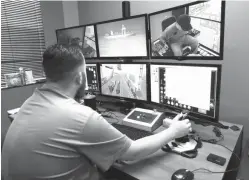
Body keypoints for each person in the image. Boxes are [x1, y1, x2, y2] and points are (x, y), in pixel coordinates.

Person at [2, 44, 192, 180]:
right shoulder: (80, 117)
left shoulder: (30, 102)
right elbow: (132, 153)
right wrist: (174, 131)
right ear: (80, 77)